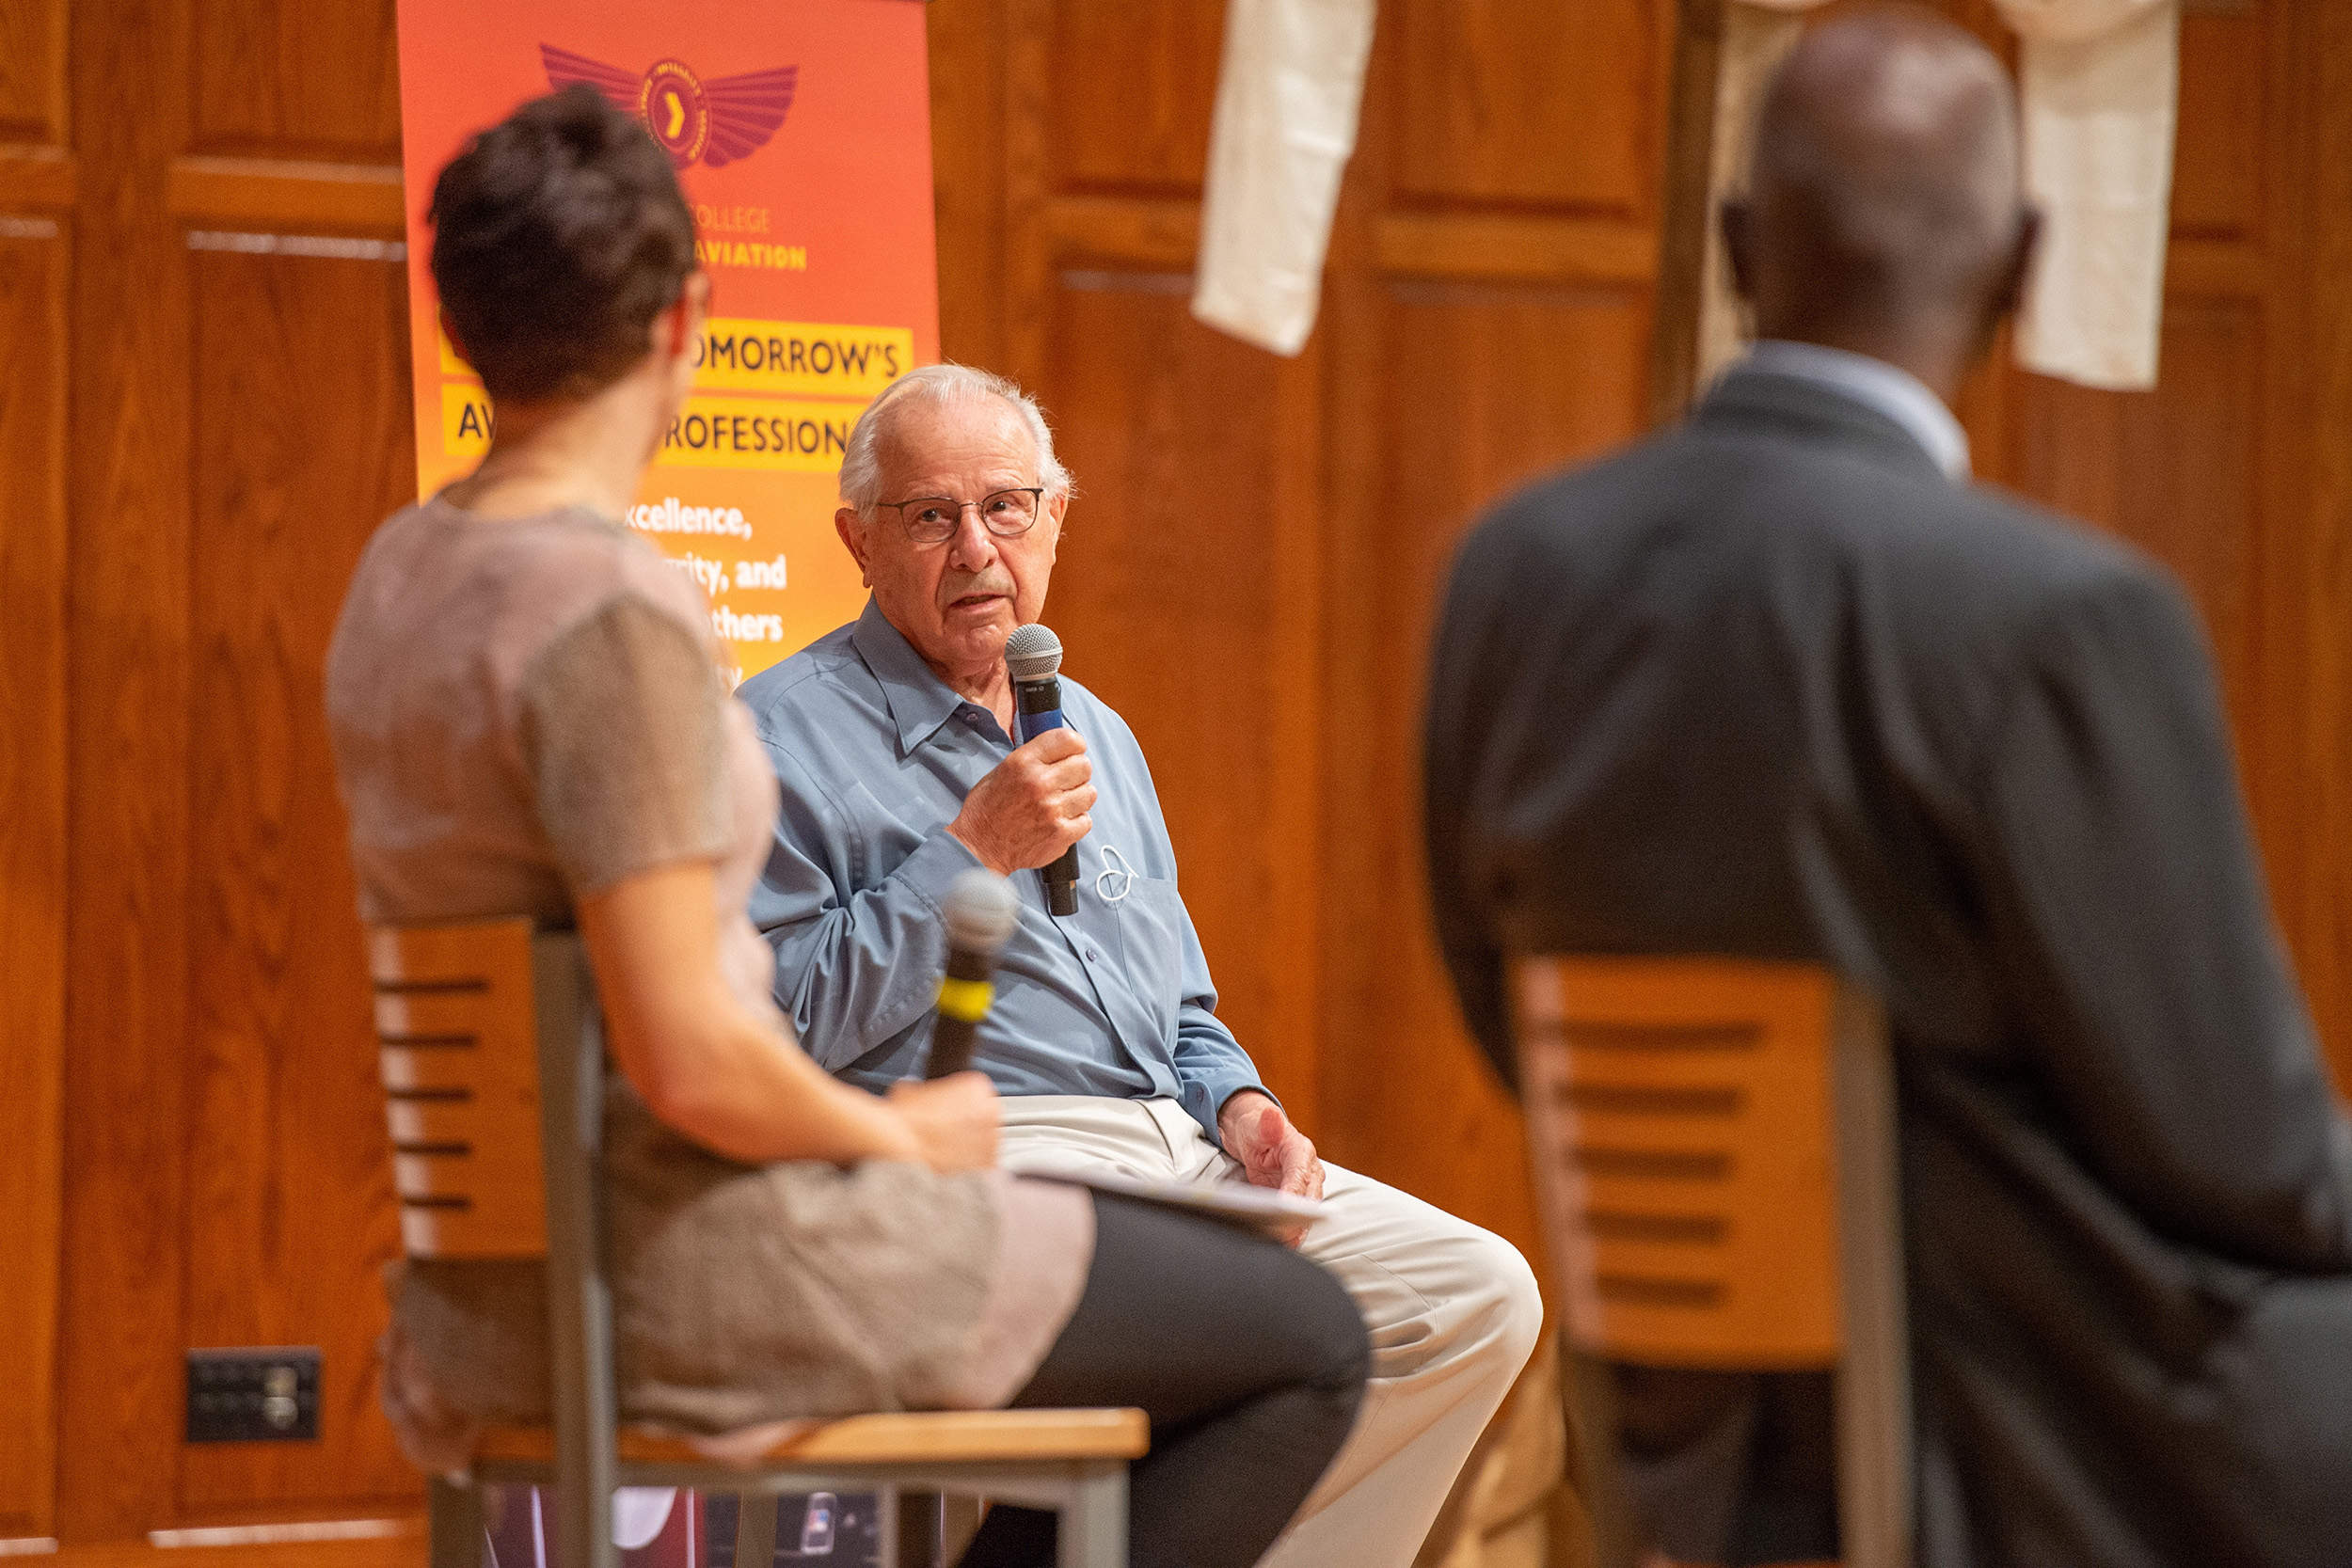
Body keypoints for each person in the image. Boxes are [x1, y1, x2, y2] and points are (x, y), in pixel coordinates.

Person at [325, 86, 1367, 1568]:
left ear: (461, 315)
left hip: (486, 1288)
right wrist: (897, 1127)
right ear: (686, 318)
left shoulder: (399, 578)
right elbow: (689, 1052)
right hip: (702, 1265)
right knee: (1310, 1338)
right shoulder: (607, 616)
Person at [1424, 9, 2352, 1567]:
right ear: (2025, 263)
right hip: (2027, 1445)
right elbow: (2240, 1153)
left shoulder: (1512, 575)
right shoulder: (2058, 617)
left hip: (1683, 1439)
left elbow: (1502, 1007)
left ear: (1735, 246)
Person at [737, 360, 1546, 1568]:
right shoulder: (771, 735)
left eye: (1007, 507)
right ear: (859, 540)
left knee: (1477, 1294)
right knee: (1286, 1346)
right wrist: (969, 854)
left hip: (1178, 1159)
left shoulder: (1093, 727)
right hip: (980, 1161)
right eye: (930, 515)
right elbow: (780, 1028)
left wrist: (1241, 1100)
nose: (975, 549)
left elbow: (1177, 1006)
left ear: (1054, 522)